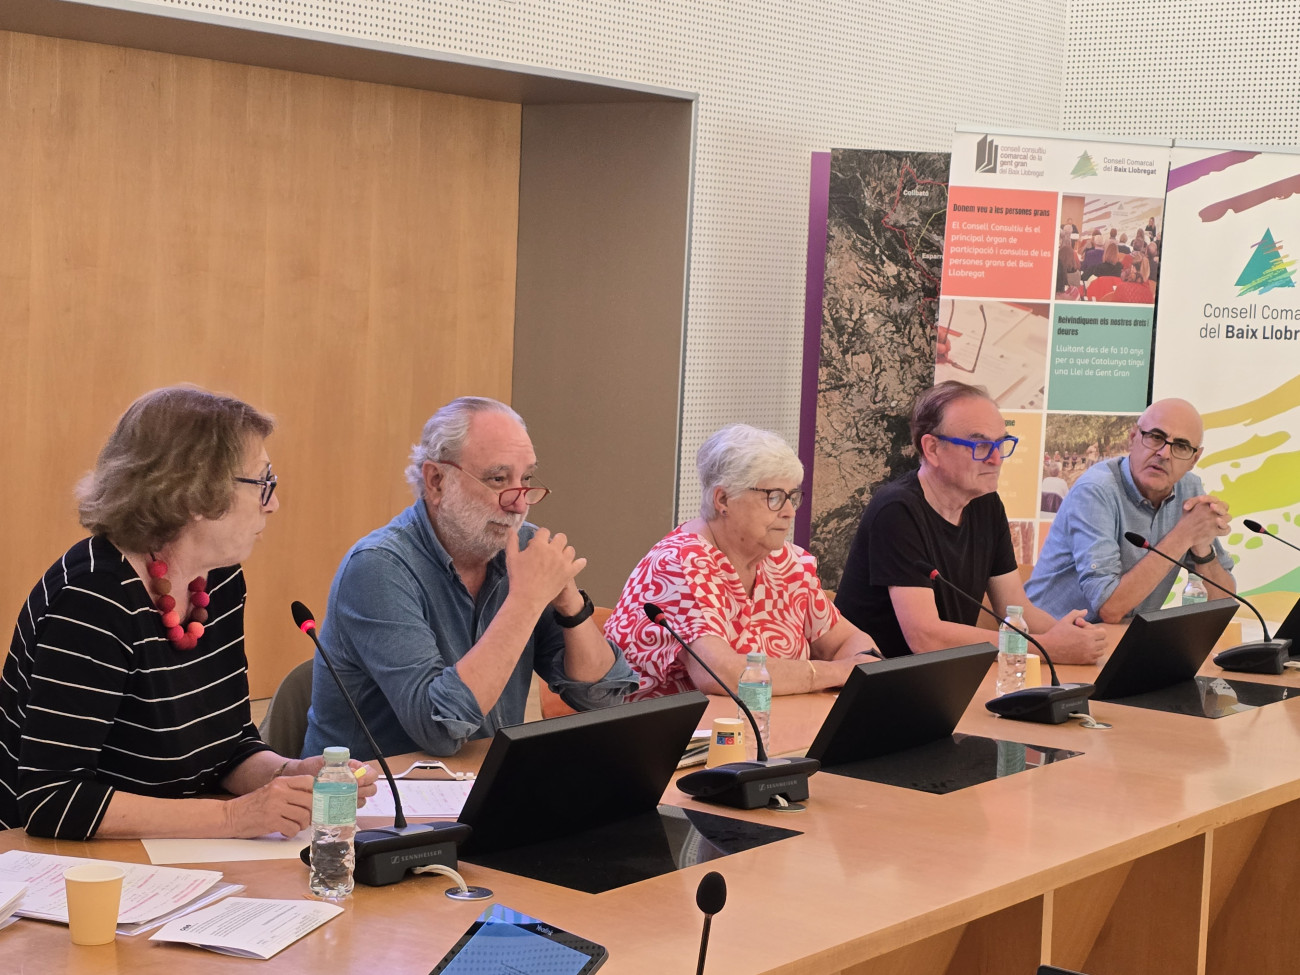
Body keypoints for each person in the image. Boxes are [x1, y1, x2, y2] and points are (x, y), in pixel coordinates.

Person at [0, 387, 376, 841]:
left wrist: (290, 775)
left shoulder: (216, 580)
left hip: (162, 861)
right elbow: (51, 800)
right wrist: (235, 819)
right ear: (196, 494)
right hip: (49, 870)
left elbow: (227, 745)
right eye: (263, 484)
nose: (273, 503)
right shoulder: (93, 597)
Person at [302, 397, 636, 759]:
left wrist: (571, 605)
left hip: (479, 784)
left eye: (525, 479)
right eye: (498, 478)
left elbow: (603, 697)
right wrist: (525, 601)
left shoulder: (521, 550)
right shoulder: (377, 568)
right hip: (371, 800)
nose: (519, 504)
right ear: (436, 481)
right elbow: (440, 729)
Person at [834, 381, 1106, 663]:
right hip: (879, 682)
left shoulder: (985, 503)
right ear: (932, 448)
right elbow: (925, 637)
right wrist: (1048, 647)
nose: (996, 459)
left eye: (1001, 443)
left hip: (944, 675)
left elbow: (1015, 608)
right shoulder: (897, 510)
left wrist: (1073, 637)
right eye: (981, 445)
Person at [605, 424, 880, 701]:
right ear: (723, 499)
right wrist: (833, 673)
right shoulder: (680, 565)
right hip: (681, 737)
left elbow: (850, 642)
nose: (788, 513)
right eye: (773, 497)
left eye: (792, 497)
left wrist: (856, 665)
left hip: (776, 729)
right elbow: (724, 675)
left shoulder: (785, 562)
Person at [1026, 399, 1234, 623]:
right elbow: (1110, 608)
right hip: (1045, 639)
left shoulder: (1190, 490)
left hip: (1116, 638)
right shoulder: (1096, 490)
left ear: (1194, 459)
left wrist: (1202, 547)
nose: (1164, 453)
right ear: (1133, 438)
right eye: (1155, 437)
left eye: (1181, 446)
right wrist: (1184, 534)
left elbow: (1223, 603)